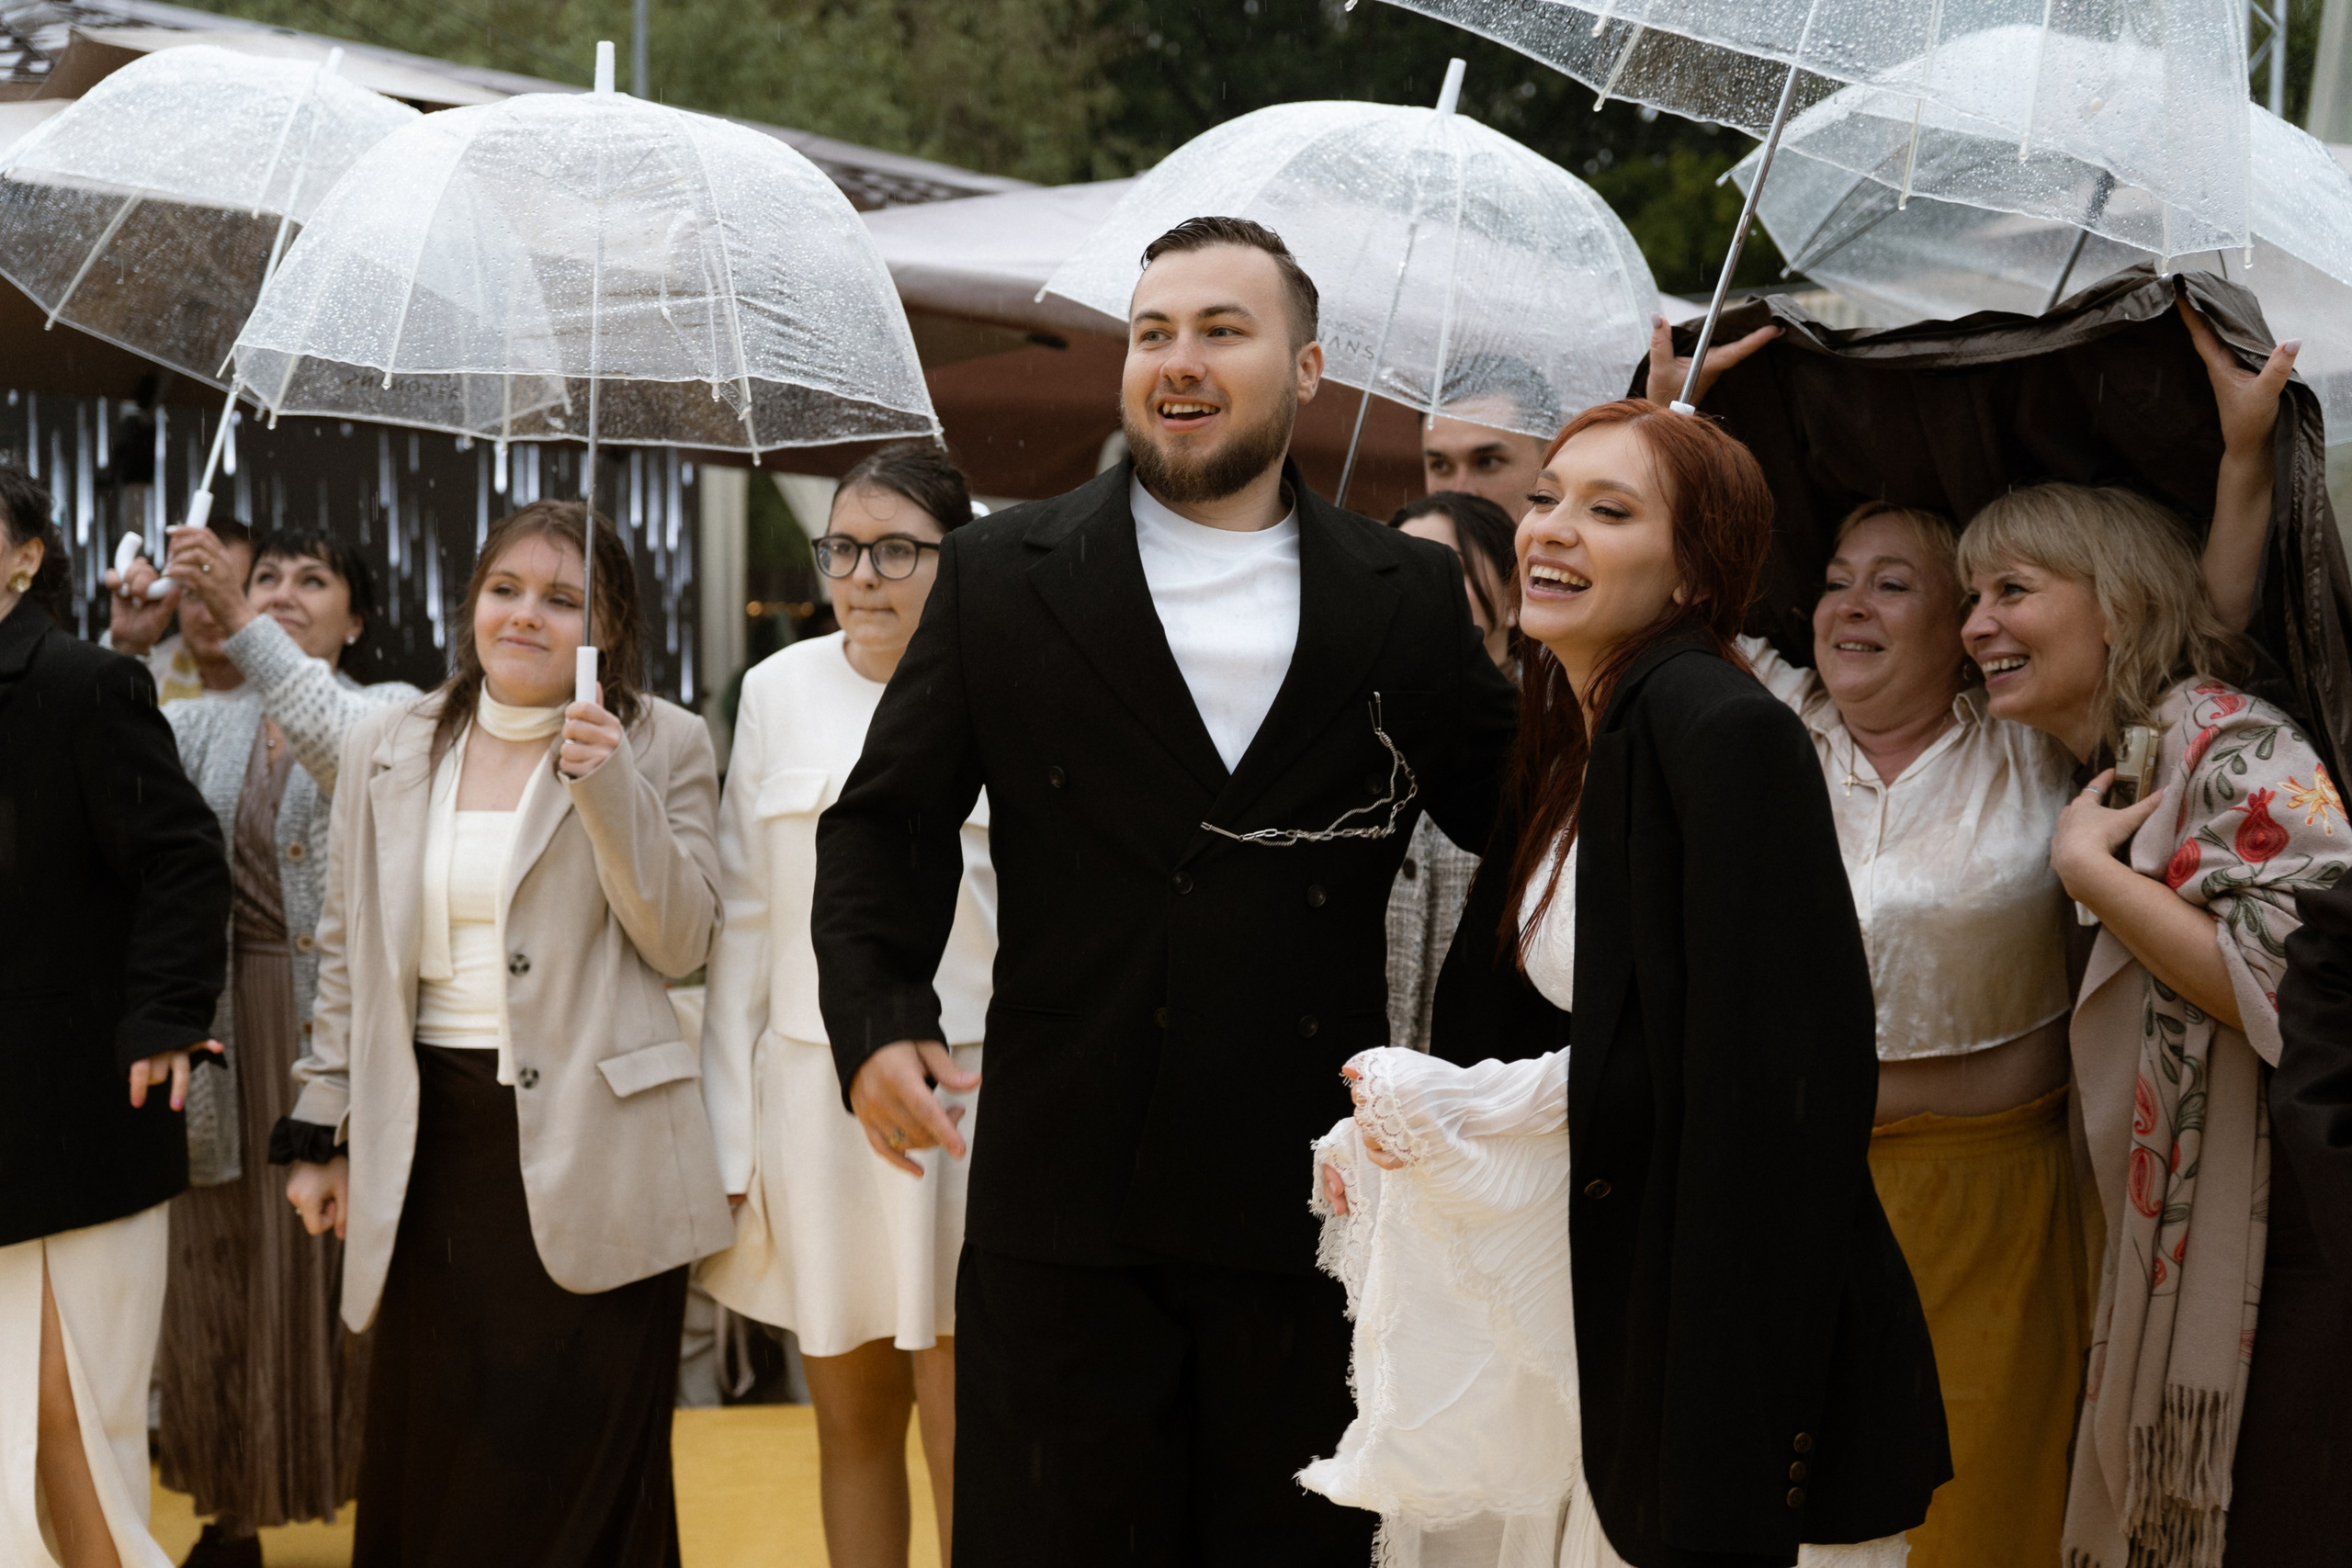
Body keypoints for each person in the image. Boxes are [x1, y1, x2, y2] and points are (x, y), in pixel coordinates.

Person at [812, 215, 1519, 1565]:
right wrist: (876, 1012)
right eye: (1152, 332)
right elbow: (884, 824)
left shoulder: (1405, 595)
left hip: (1306, 1197)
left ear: (1307, 368)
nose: (1177, 360)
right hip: (1066, 1191)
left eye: (1220, 329)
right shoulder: (1001, 577)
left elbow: (1528, 829)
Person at [1610, 297, 2290, 1568]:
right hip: (1783, 1193)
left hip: (2005, 1205)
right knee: (1789, 1518)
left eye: (1896, 583)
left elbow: (2191, 619)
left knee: (1972, 1524)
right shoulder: (1754, 721)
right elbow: (1637, 601)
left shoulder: (2035, 742)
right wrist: (1662, 432)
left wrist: (2244, 458)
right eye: (1833, 580)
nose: (1850, 606)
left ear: (1962, 627)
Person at [1306, 400, 1948, 1567]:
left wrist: (1473, 1109)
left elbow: (1766, 1080)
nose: (1551, 529)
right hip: (1592, 1295)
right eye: (1546, 496)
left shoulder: (1722, 731)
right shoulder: (1574, 723)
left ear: (1700, 576)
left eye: (1609, 511)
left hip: (1709, 1333)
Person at [278, 501, 729, 1568]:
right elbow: (347, 949)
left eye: (563, 599)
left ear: (606, 626)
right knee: (440, 1460)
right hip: (430, 1143)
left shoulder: (663, 739)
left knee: (580, 1477)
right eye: (504, 589)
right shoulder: (392, 740)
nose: (526, 616)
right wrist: (321, 1126)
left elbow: (682, 938)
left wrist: (607, 783)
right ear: (470, 601)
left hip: (600, 1150)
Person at [1957, 483, 2350, 1568]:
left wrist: (2088, 872)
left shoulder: (2229, 740)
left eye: (2012, 590)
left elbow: (2302, 990)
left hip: (2290, 1251)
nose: (1975, 623)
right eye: (1969, 594)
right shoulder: (2119, 756)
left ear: (2118, 608)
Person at [698, 443, 991, 1568]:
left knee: (969, 1423)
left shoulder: (1002, 689)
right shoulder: (775, 690)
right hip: (816, 1102)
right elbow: (742, 924)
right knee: (851, 1420)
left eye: (898, 550)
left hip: (970, 1097)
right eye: (844, 548)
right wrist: (734, 1139)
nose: (863, 575)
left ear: (956, 557)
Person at [149, 525, 418, 1566]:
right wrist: (138, 648)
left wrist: (244, 622)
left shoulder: (396, 712)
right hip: (223, 1036)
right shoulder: (199, 722)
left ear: (356, 618)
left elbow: (337, 751)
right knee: (220, 1273)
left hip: (332, 1038)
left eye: (315, 582)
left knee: (339, 1284)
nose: (285, 593)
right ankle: (231, 1515)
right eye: (267, 578)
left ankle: (377, 1507)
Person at [0, 465, 231, 1568]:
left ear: (24, 557)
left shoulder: (87, 686)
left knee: (66, 1427)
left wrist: (163, 1017)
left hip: (74, 1110)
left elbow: (184, 863)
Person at [1383, 491, 1520, 1054]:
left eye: (1447, 566)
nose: (1423, 584)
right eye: (1404, 566)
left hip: (1487, 1083)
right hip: (1363, 1085)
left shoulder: (1556, 737)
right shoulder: (1359, 725)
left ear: (1513, 596)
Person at [106, 522, 256, 705]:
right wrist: (128, 649)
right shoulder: (148, 674)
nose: (209, 618)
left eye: (226, 595)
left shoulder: (286, 684)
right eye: (192, 594)